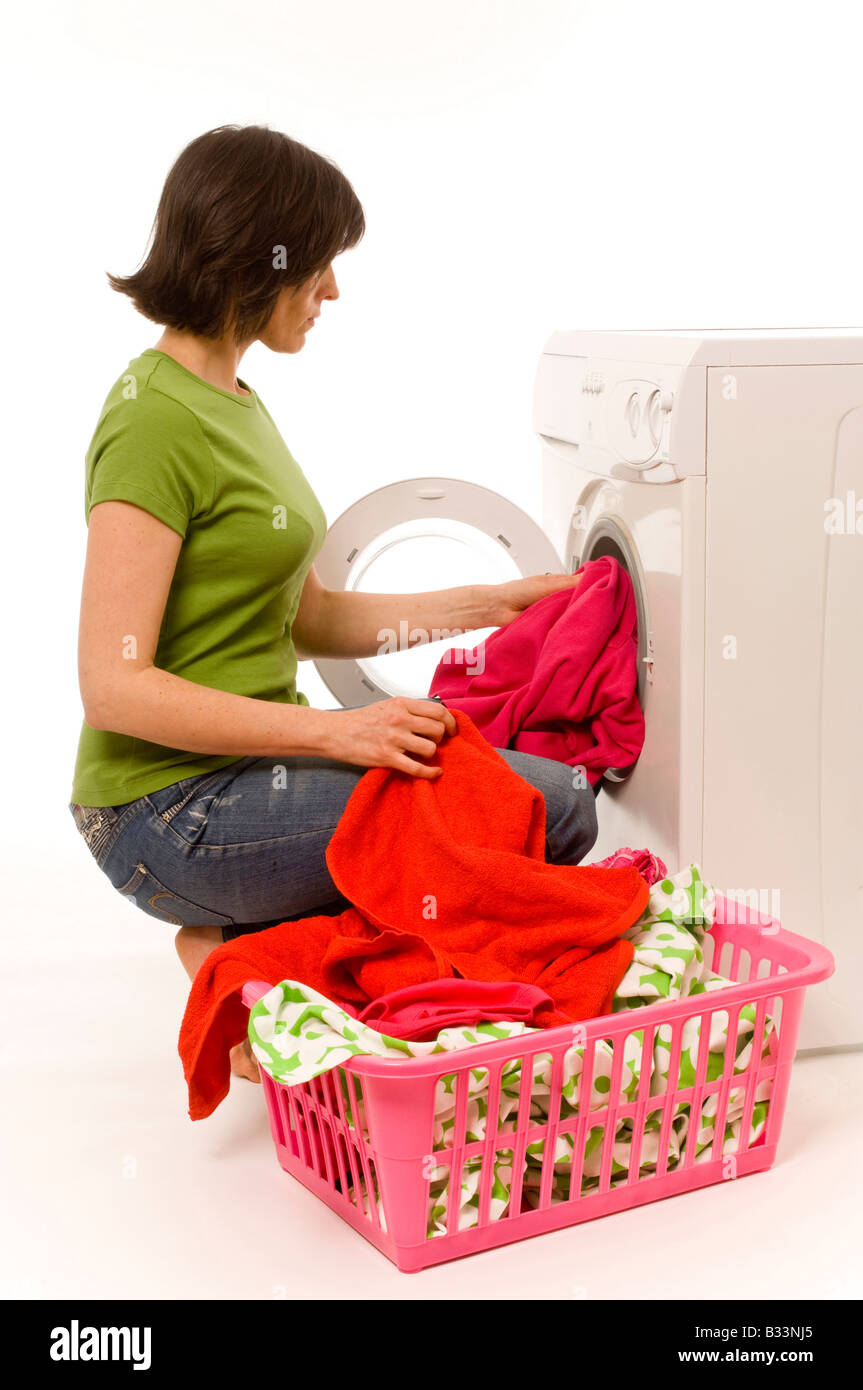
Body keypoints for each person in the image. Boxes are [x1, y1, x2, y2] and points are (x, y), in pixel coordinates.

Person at [68, 124, 594, 1085]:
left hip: (246, 776)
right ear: (249, 254)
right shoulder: (151, 421)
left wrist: (493, 601)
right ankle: (240, 936)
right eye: (317, 265)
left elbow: (308, 621)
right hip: (164, 808)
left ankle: (236, 947)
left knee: (515, 803)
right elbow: (112, 684)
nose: (332, 290)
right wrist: (340, 737)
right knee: (549, 810)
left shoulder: (236, 401)